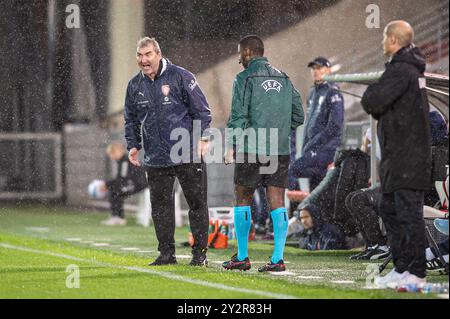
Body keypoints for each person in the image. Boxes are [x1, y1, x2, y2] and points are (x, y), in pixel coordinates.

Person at [124, 37, 211, 267]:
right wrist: (133, 145)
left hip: (187, 152)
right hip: (155, 157)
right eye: (140, 56)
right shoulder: (134, 85)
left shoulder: (181, 76)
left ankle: (200, 254)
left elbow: (202, 111)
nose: (144, 60)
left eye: (148, 55)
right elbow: (130, 119)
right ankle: (166, 254)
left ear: (158, 54)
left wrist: (203, 137)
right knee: (161, 208)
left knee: (197, 204)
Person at [222, 35, 304, 272]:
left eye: (240, 54)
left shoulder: (243, 78)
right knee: (277, 200)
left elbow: (237, 116)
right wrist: (278, 129)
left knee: (243, 196)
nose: (239, 59)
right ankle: (277, 259)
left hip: (251, 147)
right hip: (279, 149)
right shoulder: (285, 78)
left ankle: (243, 257)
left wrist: (231, 146)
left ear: (247, 52)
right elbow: (299, 116)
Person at [361, 21, 432, 288]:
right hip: (399, 156)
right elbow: (378, 102)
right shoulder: (405, 68)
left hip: (408, 157)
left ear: (393, 40)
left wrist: (376, 98)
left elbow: (371, 101)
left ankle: (415, 272)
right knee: (388, 206)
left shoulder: (402, 69)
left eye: (383, 37)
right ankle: (403, 268)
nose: (381, 42)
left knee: (408, 214)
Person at [289, 57, 344, 192]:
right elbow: (310, 125)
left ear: (328, 70)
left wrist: (316, 143)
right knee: (317, 191)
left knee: (291, 171)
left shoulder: (333, 92)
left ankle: (294, 209)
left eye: (319, 68)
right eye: (313, 68)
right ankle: (307, 210)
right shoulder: (312, 93)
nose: (315, 71)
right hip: (312, 150)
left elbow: (335, 125)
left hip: (325, 150)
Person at [101, 141, 148, 226]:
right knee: (114, 190)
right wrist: (109, 185)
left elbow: (123, 178)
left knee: (116, 192)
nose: (111, 156)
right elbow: (122, 179)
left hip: (139, 184)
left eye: (112, 153)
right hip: (133, 183)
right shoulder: (122, 161)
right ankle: (116, 216)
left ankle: (119, 218)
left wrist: (107, 184)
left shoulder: (125, 160)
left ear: (119, 151)